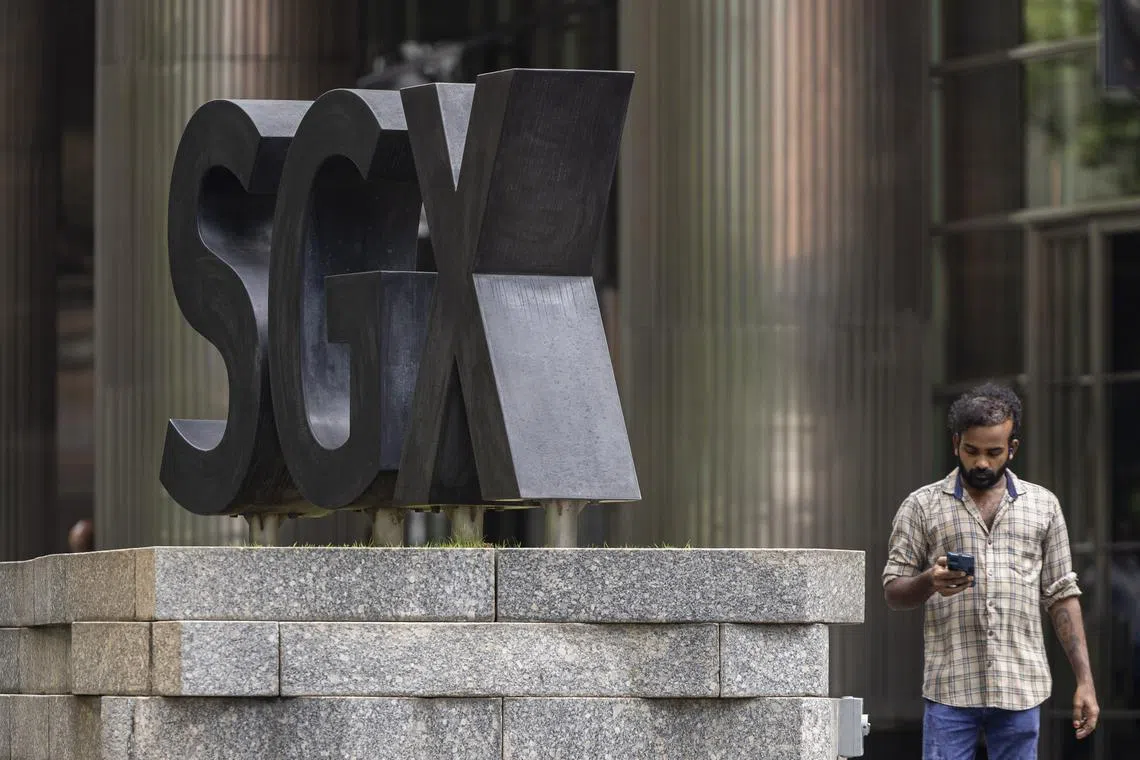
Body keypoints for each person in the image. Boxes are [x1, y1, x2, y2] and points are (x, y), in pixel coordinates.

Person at [882, 382, 1098, 759]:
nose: (981, 462)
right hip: (950, 688)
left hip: (1021, 686)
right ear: (956, 445)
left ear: (1012, 448)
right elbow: (893, 591)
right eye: (972, 451)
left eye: (994, 452)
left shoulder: (1044, 507)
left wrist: (1084, 681)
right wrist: (929, 581)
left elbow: (1062, 596)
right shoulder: (922, 507)